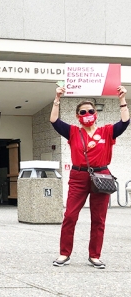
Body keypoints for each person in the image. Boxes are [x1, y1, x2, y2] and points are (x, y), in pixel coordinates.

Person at [50, 85, 130, 269]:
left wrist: (122, 99)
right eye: (83, 112)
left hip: (101, 176)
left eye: (90, 111)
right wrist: (57, 99)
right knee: (70, 215)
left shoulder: (107, 131)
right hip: (78, 177)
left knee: (99, 218)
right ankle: (64, 253)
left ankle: (94, 255)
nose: (87, 113)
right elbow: (54, 121)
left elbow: (125, 123)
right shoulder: (73, 132)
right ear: (78, 116)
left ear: (96, 113)